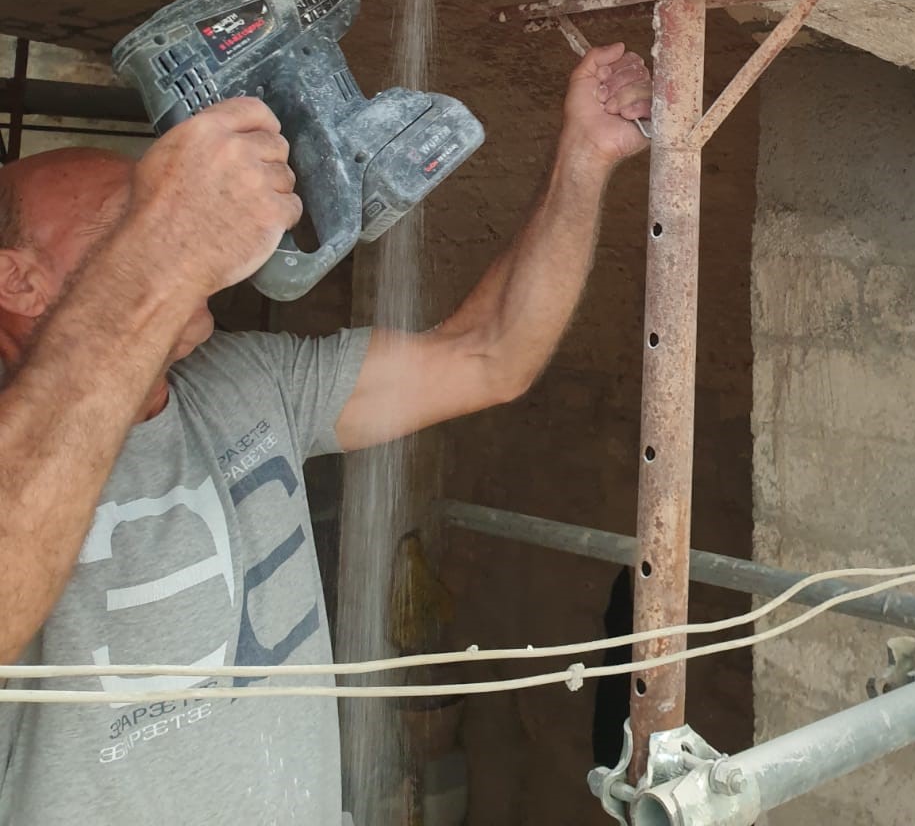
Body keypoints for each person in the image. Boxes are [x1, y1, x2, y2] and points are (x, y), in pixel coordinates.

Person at [0, 41, 652, 826]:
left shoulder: (247, 381)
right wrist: (165, 249)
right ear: (18, 283)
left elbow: (489, 355)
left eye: (159, 217)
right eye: (126, 229)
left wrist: (584, 157)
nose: (173, 242)